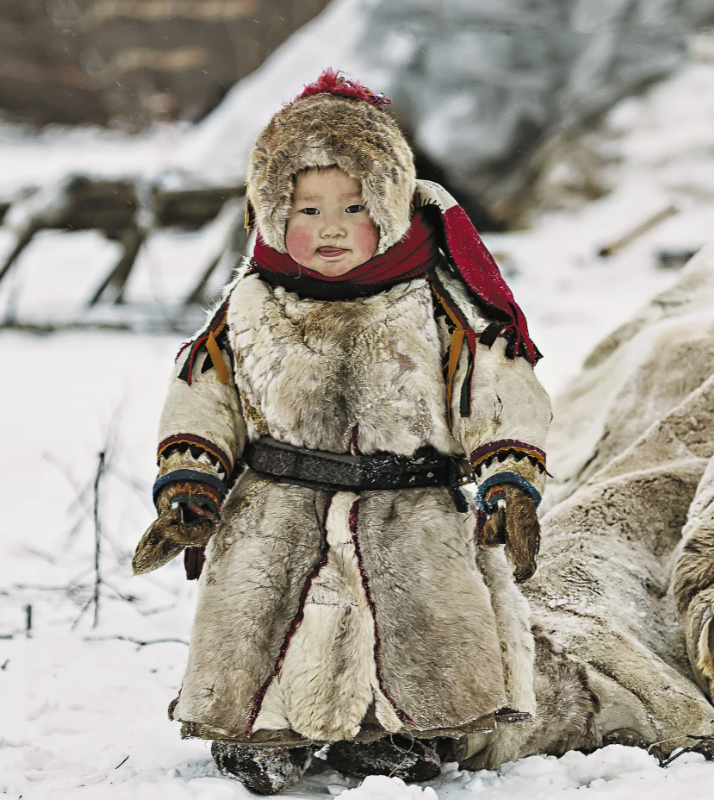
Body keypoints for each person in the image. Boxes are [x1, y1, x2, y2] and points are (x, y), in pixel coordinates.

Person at [133, 70, 553, 795]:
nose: (329, 228)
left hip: (411, 505)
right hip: (277, 504)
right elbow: (205, 393)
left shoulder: (440, 301)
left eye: (354, 207)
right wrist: (192, 477)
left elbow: (497, 386)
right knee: (261, 621)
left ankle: (398, 733)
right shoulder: (251, 302)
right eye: (306, 208)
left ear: (391, 204)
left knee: (417, 626)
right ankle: (259, 732)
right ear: (269, 209)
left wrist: (508, 475)